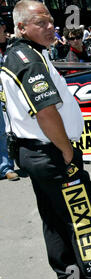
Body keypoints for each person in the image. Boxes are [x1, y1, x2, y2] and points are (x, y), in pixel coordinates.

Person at [1, 0, 91, 279]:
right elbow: (45, 112)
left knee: (53, 216)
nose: (51, 26)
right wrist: (66, 150)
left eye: (51, 20)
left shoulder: (25, 54)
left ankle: (70, 275)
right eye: (41, 22)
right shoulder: (28, 60)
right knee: (80, 213)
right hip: (51, 151)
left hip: (34, 152)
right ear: (21, 27)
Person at [0, 16, 19, 182]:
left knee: (5, 131)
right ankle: (5, 167)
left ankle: (6, 166)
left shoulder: (10, 46)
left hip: (8, 94)